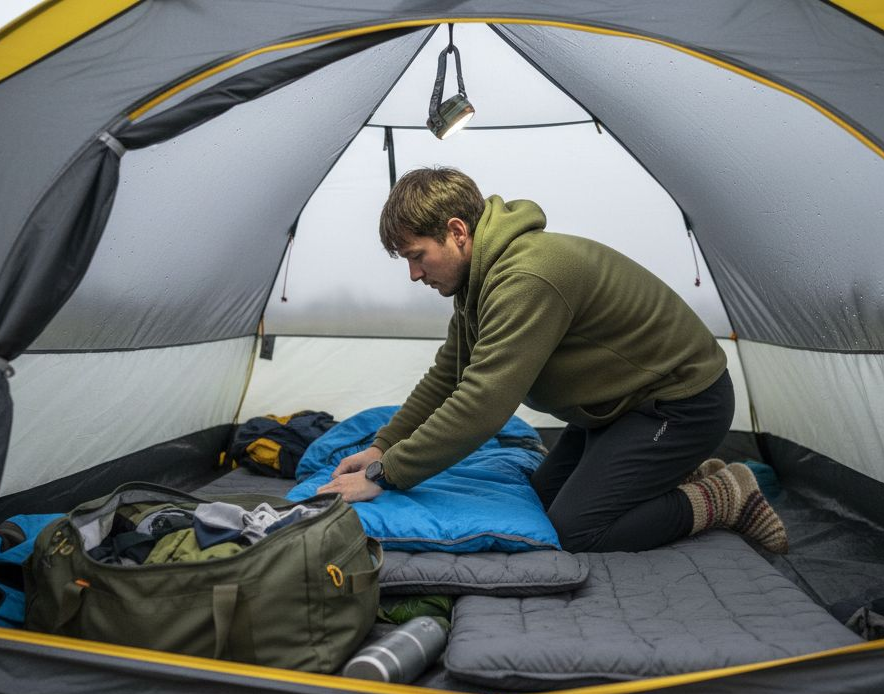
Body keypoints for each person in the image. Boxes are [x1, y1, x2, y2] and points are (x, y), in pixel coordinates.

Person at [318, 167, 786, 553]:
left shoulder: (526, 277)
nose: (414, 273)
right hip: (615, 411)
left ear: (457, 232)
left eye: (417, 256)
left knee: (575, 528)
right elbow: (448, 375)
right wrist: (383, 446)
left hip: (680, 403)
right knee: (539, 501)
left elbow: (483, 403)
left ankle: (727, 494)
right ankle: (672, 472)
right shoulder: (477, 284)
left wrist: (389, 474)